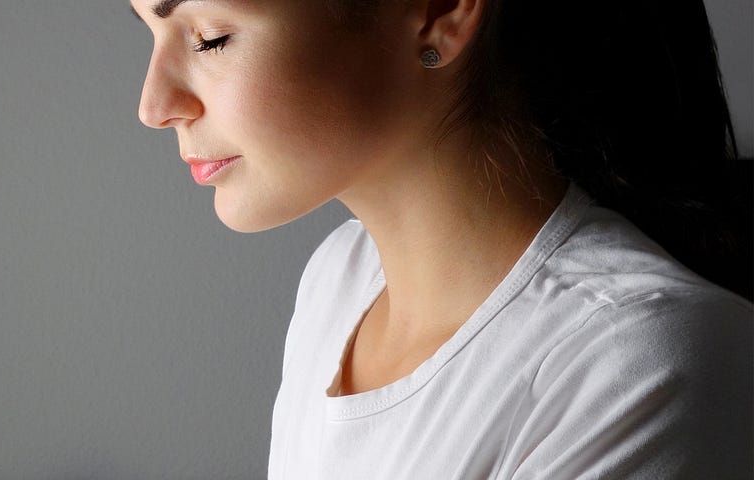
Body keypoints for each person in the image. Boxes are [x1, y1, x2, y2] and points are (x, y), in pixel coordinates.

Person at [129, 0, 753, 477]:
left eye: (211, 37)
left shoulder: (638, 363)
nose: (154, 105)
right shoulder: (336, 281)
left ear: (438, 12)